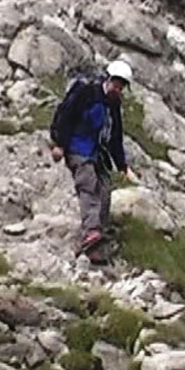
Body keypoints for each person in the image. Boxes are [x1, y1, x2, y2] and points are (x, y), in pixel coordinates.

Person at [49, 60, 139, 264]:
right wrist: (60, 144)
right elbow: (65, 115)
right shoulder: (86, 92)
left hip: (98, 153)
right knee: (88, 184)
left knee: (105, 190)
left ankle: (97, 243)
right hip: (77, 147)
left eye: (122, 86)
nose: (119, 89)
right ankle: (91, 230)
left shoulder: (114, 105)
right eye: (117, 83)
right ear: (108, 79)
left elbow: (115, 136)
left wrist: (122, 165)